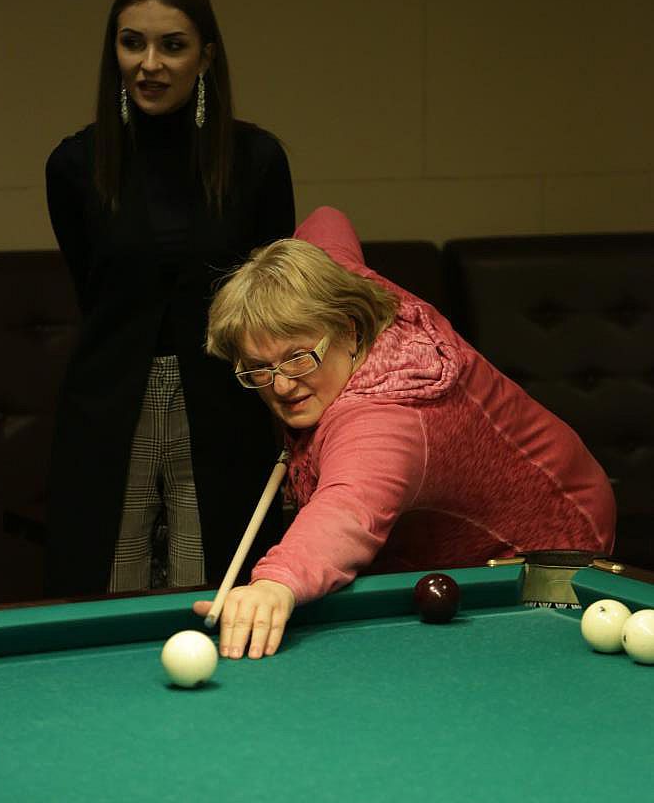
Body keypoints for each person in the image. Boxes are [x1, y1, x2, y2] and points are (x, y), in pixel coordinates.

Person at [192, 206, 616, 658]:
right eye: (259, 368)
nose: (280, 385)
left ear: (349, 331)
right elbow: (327, 220)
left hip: (549, 535)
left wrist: (277, 582)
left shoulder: (384, 420)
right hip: (439, 538)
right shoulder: (338, 282)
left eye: (298, 358)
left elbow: (347, 510)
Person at [45, 0, 295, 597]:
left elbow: (270, 300)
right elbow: (95, 293)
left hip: (227, 407)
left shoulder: (257, 160)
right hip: (107, 409)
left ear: (205, 56)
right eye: (132, 43)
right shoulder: (74, 163)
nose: (149, 64)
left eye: (173, 46)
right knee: (103, 595)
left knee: (219, 593)